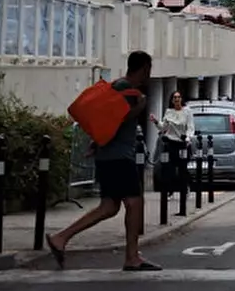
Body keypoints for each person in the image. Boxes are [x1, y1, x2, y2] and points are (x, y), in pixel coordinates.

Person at [46, 51, 160, 271]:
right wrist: (139, 107)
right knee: (134, 203)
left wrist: (97, 144)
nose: (149, 73)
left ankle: (61, 238)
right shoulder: (128, 93)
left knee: (109, 207)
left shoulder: (118, 86)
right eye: (149, 69)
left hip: (109, 155)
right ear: (144, 68)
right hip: (119, 158)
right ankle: (132, 257)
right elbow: (118, 118)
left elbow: (108, 122)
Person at [149, 91, 194, 198]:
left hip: (183, 143)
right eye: (175, 97)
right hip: (170, 143)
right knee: (169, 168)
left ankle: (185, 189)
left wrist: (188, 138)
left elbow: (190, 127)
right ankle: (170, 190)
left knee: (182, 168)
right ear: (172, 100)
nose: (177, 99)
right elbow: (163, 127)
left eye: (179, 97)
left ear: (181, 99)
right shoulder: (169, 112)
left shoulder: (187, 112)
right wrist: (156, 121)